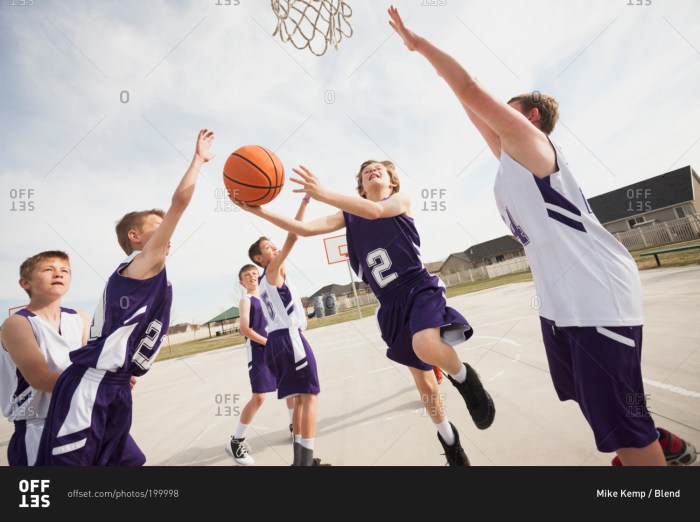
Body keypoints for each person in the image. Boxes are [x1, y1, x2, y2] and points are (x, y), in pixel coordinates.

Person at [386, 6, 696, 466]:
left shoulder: (534, 145)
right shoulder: (511, 160)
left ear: (529, 116)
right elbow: (469, 104)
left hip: (596, 294)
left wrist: (420, 45)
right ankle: (653, 442)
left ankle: (647, 461)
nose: (491, 117)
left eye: (504, 111)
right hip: (563, 302)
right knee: (597, 402)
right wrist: (446, 83)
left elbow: (471, 89)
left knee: (621, 428)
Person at [233, 163, 495, 466]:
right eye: (366, 171)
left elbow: (374, 212)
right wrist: (258, 211)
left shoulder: (399, 202)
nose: (372, 171)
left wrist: (322, 193)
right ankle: (449, 439)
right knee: (424, 383)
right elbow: (303, 230)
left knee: (425, 345)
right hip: (389, 304)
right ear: (361, 187)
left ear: (392, 183)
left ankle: (466, 379)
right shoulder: (349, 215)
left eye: (379, 170)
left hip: (418, 288)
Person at [35, 129, 214, 465]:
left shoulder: (148, 273)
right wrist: (198, 161)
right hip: (92, 385)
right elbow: (181, 202)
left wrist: (127, 365)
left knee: (127, 464)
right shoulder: (141, 264)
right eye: (157, 225)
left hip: (115, 383)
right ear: (135, 237)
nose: (166, 230)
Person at [0, 250, 144, 466]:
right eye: (48, 269)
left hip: (88, 417)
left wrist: (116, 377)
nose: (58, 273)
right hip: (41, 427)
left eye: (64, 270)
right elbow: (40, 378)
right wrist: (101, 385)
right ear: (25, 283)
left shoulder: (80, 318)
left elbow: (94, 366)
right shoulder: (17, 324)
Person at [245, 197, 329, 466]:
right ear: (259, 258)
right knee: (310, 397)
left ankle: (299, 462)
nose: (275, 247)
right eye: (268, 247)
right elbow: (294, 235)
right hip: (289, 339)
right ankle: (304, 464)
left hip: (277, 341)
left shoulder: (268, 278)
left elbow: (290, 236)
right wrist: (303, 204)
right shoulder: (271, 270)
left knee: (300, 402)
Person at [226, 263, 297, 466]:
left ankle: (294, 427)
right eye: (246, 275)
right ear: (241, 281)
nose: (251, 277)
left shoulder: (267, 295)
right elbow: (245, 329)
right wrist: (268, 342)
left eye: (254, 273)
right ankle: (237, 440)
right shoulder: (246, 300)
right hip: (258, 351)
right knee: (259, 397)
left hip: (276, 347)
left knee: (290, 389)